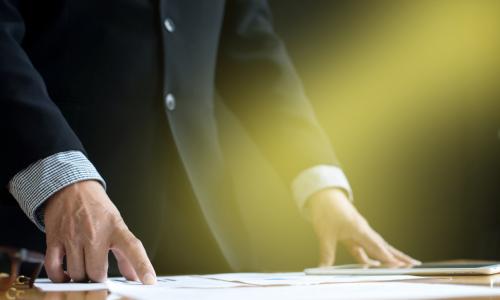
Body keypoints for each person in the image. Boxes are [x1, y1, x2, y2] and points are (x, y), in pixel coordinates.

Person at [0, 0, 418, 284]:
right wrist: (58, 176)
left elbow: (251, 46)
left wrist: (322, 188)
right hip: (48, 247)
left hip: (206, 241)